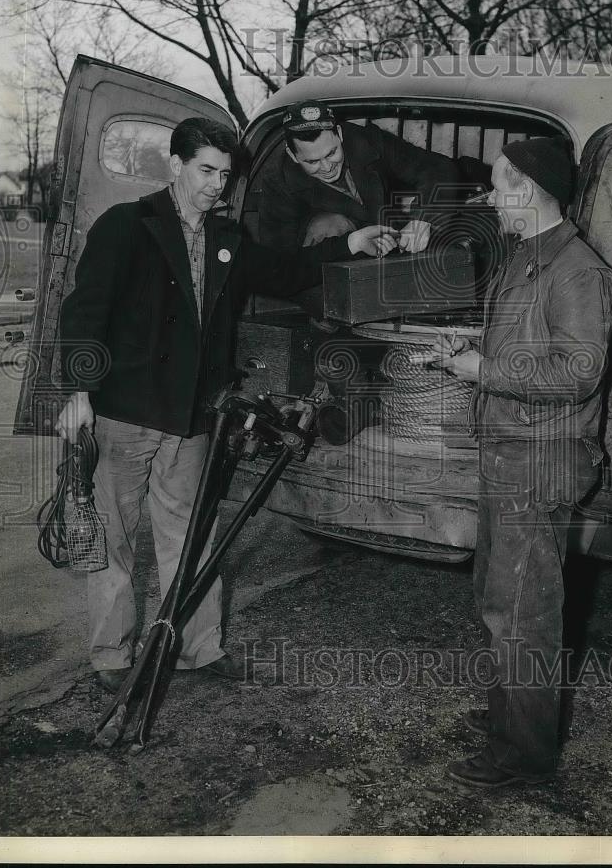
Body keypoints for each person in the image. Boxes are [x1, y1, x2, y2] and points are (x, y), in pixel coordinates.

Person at [56, 116, 396, 694]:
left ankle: (198, 648)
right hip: (126, 409)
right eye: (205, 170)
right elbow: (82, 312)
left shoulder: (226, 239)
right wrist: (77, 392)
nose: (216, 185)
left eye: (224, 174)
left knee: (192, 534)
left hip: (190, 414)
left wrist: (351, 243)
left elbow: (286, 272)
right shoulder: (126, 226)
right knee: (114, 536)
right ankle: (112, 655)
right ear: (176, 166)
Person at [432, 136, 612, 788]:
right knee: (500, 601)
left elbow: (578, 371)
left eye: (497, 185)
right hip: (511, 449)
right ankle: (512, 724)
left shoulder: (578, 271)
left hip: (542, 458)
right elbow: (525, 346)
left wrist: (486, 368)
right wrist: (474, 351)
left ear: (529, 189)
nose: (489, 197)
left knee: (523, 615)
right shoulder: (524, 258)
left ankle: (523, 758)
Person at [257, 100, 469, 255]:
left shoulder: (366, 140)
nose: (327, 167)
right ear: (292, 154)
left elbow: (437, 168)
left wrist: (423, 218)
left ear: (339, 134)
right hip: (328, 271)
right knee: (329, 226)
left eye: (332, 153)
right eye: (312, 162)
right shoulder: (279, 181)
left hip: (391, 244)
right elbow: (280, 262)